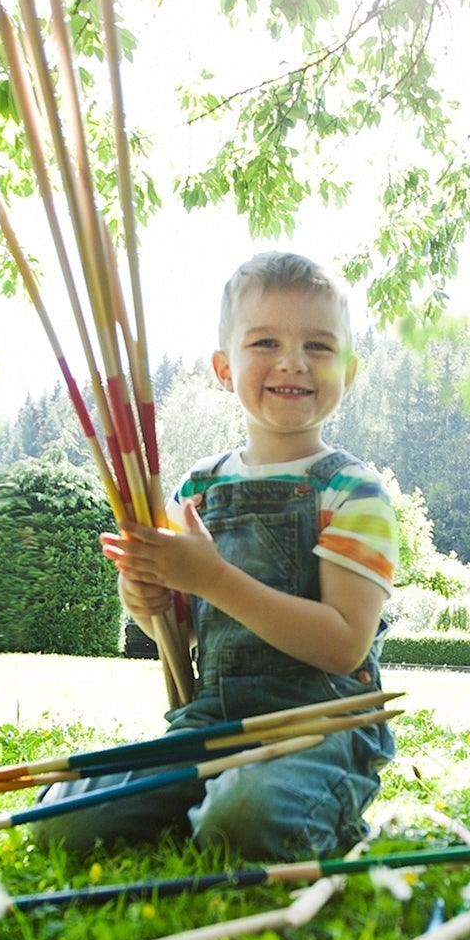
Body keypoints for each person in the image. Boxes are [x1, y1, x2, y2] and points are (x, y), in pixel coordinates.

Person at [39, 250, 398, 859]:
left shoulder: (354, 492)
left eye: (318, 345)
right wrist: (145, 595)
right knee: (60, 816)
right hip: (212, 723)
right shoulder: (195, 490)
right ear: (224, 368)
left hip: (319, 728)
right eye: (264, 342)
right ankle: (201, 802)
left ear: (349, 369)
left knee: (243, 819)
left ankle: (281, 807)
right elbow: (172, 628)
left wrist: (211, 576)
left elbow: (343, 644)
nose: (293, 362)